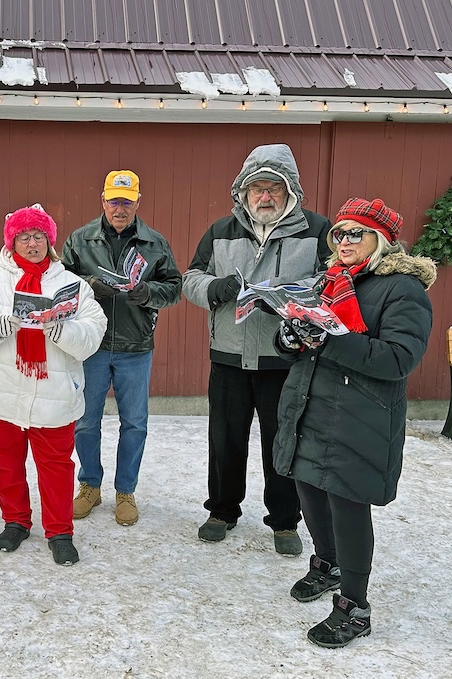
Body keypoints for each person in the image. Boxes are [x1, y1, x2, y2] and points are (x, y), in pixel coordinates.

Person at [273, 198, 435, 647]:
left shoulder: (402, 290)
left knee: (347, 506)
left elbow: (399, 359)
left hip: (358, 418)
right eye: (339, 233)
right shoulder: (328, 282)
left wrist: (327, 340)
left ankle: (354, 606)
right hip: (310, 407)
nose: (344, 241)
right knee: (308, 489)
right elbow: (305, 340)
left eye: (355, 233)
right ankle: (327, 563)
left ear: (379, 240)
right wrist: (289, 337)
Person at [181, 144, 332, 555]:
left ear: (290, 191)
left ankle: (284, 521)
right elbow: (190, 277)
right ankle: (222, 511)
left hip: (284, 359)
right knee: (225, 439)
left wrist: (294, 301)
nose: (264, 197)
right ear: (243, 193)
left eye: (274, 188)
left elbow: (331, 282)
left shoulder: (317, 230)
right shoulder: (221, 231)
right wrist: (217, 288)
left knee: (282, 441)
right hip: (229, 356)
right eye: (256, 189)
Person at [0, 205, 106, 565]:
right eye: (24, 236)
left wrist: (62, 330)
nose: (32, 243)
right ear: (12, 242)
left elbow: (93, 333)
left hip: (54, 395)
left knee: (56, 466)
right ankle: (15, 521)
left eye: (39, 236)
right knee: (5, 464)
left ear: (49, 241)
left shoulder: (72, 285)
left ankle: (60, 530)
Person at [61, 170, 182, 526]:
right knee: (85, 421)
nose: (120, 208)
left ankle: (125, 490)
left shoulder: (154, 243)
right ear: (102, 201)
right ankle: (89, 486)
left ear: (138, 203)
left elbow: (174, 286)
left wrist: (149, 294)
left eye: (127, 202)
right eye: (113, 200)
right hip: (90, 346)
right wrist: (90, 284)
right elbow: (59, 280)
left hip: (136, 346)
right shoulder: (80, 239)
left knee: (135, 424)